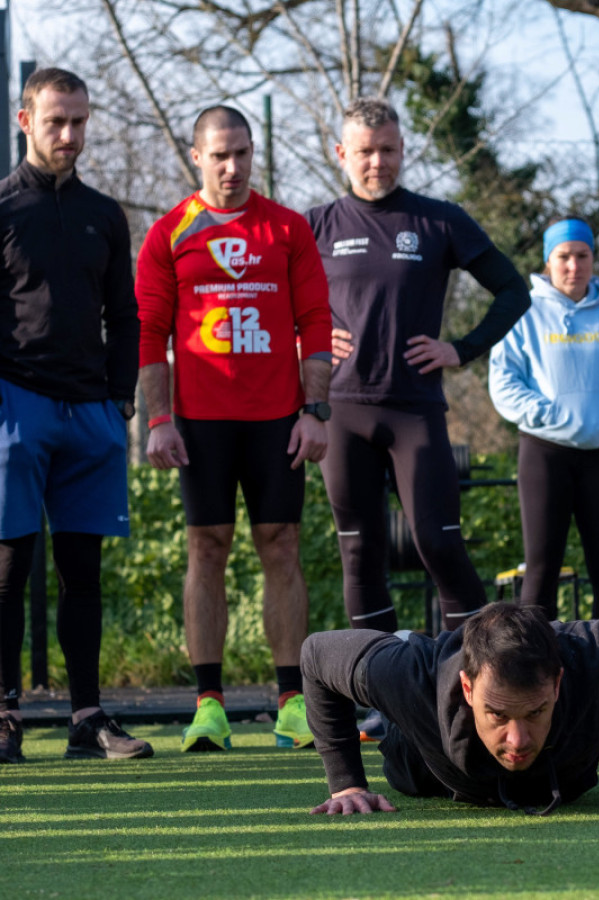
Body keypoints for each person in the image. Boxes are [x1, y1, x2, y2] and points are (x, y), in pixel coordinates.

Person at [136, 106, 332, 751]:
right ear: (197, 157)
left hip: (277, 419)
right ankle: (209, 706)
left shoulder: (288, 227)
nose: (232, 166)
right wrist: (159, 419)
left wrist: (316, 410)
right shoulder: (169, 232)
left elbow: (314, 322)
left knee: (281, 545)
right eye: (220, 155)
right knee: (207, 549)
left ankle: (292, 704)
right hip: (200, 421)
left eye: (243, 153)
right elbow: (149, 334)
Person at [305, 98, 529, 640]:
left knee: (439, 541)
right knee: (360, 553)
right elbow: (271, 303)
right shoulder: (314, 225)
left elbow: (513, 290)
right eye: (364, 152)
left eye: (387, 150)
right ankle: (381, 688)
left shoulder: (439, 220)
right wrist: (298, 341)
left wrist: (461, 347)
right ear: (341, 154)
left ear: (402, 149)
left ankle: (475, 677)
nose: (377, 162)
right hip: (342, 410)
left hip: (416, 410)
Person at [0, 68, 153, 763]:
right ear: (24, 119)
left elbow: (125, 316)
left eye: (80, 122)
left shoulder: (104, 214)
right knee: (9, 566)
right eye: (57, 121)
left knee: (82, 572)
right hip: (17, 404)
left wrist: (120, 397)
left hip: (91, 411)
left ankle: (86, 720)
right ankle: (3, 715)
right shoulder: (2, 207)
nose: (70, 135)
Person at [301, 602, 599, 815]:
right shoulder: (411, 678)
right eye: (498, 715)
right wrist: (347, 784)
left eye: (534, 712)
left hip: (564, 761)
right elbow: (315, 654)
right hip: (426, 762)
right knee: (400, 737)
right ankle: (407, 638)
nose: (517, 740)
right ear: (468, 689)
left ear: (556, 684)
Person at [489, 217, 599, 622]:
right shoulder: (524, 313)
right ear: (548, 261)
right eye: (563, 256)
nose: (573, 266)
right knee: (541, 570)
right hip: (545, 453)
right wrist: (547, 414)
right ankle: (532, 677)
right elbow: (504, 381)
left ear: (593, 259)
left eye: (582, 256)